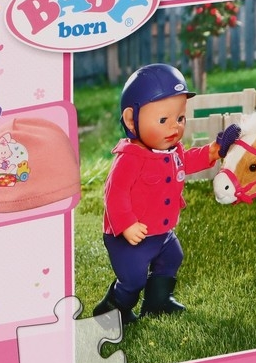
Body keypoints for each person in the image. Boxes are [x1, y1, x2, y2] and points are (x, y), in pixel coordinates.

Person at [94, 63, 231, 324]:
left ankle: (158, 301)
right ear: (131, 120)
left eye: (180, 118)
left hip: (161, 231)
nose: (174, 128)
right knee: (133, 279)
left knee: (172, 256)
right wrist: (127, 225)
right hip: (130, 237)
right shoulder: (129, 158)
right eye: (163, 120)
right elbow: (115, 194)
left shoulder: (172, 150)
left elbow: (187, 161)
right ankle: (112, 310)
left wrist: (212, 152)